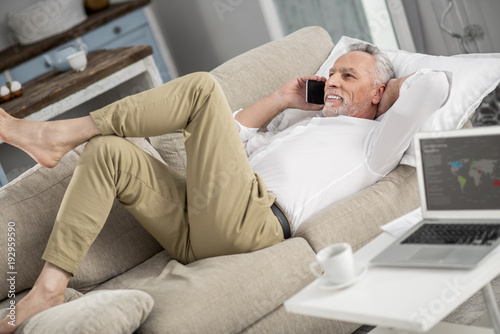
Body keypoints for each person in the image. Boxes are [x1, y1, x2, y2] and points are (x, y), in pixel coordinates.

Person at [0, 42, 448, 332]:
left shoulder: (375, 142)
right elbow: (226, 140)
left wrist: (378, 93)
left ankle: (55, 134)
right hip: (204, 223)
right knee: (106, 153)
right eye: (331, 74)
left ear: (381, 92)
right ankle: (49, 290)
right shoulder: (300, 126)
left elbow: (432, 84)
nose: (332, 81)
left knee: (201, 89)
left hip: (254, 223)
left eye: (348, 77)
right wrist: (282, 101)